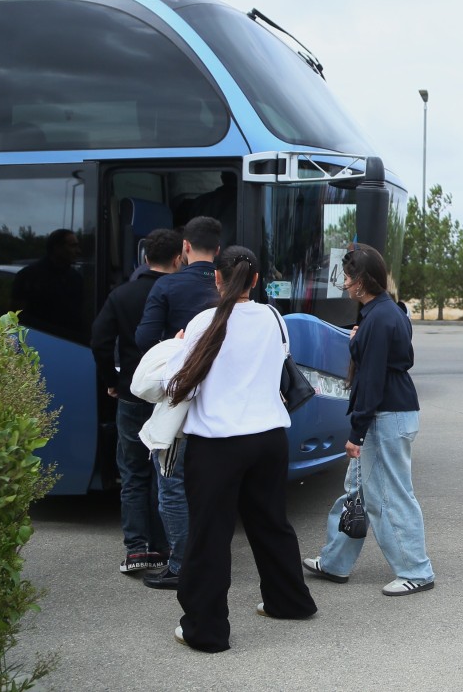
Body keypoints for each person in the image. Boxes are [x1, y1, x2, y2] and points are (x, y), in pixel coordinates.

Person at [162, 246, 317, 652]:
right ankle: (289, 601)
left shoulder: (203, 324)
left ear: (216, 278)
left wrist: (177, 348)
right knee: (271, 523)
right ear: (255, 279)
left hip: (217, 445)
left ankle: (206, 630)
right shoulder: (273, 317)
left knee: (210, 536)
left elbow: (182, 387)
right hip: (268, 439)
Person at [304, 244, 435, 596]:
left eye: (347, 277)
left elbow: (373, 379)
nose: (344, 283)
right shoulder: (388, 313)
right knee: (357, 493)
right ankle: (335, 562)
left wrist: (356, 433)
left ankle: (416, 570)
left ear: (361, 281)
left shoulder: (377, 318)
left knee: (389, 496)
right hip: (394, 412)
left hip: (384, 416)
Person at [135, 215, 223, 591]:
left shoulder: (167, 287)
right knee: (211, 486)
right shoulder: (231, 291)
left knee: (172, 485)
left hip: (181, 406)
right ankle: (210, 556)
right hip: (222, 406)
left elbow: (144, 339)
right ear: (217, 251)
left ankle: (181, 563)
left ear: (184, 248)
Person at [90, 227, 182, 576]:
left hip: (130, 394)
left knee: (132, 474)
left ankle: (136, 550)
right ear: (179, 258)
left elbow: (99, 341)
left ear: (145, 258)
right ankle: (166, 545)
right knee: (166, 471)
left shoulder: (122, 294)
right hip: (170, 397)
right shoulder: (181, 293)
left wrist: (112, 382)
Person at [11, 228, 85, 339]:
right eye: (73, 246)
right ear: (57, 248)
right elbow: (16, 316)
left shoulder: (76, 278)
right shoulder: (29, 276)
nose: (78, 251)